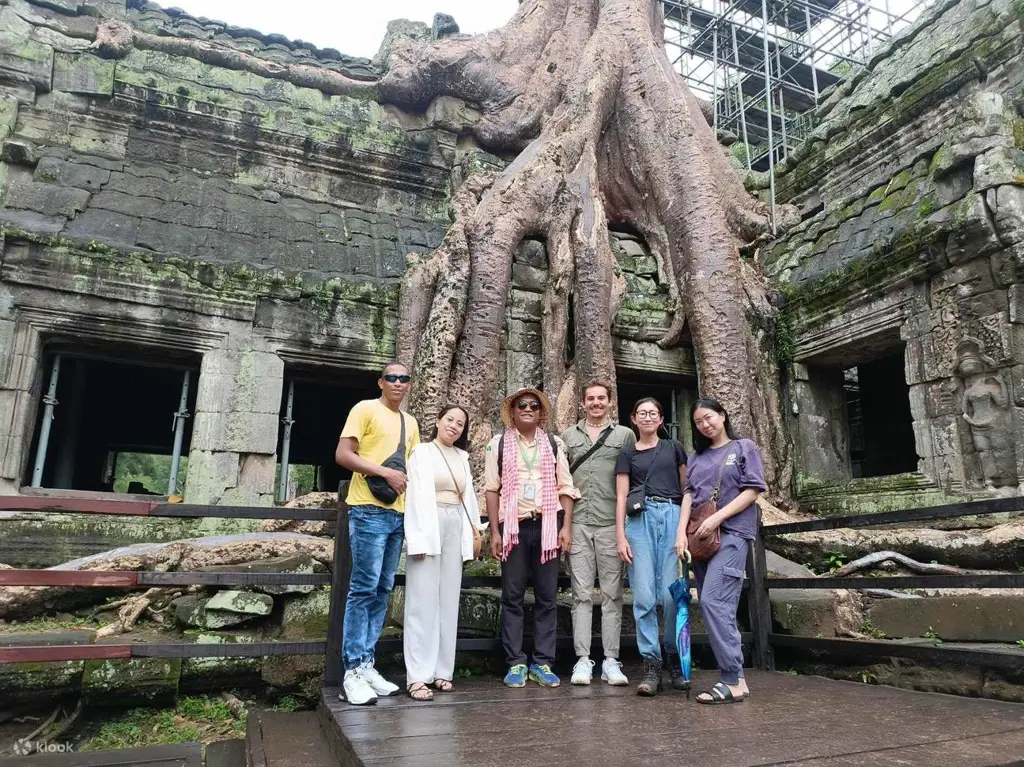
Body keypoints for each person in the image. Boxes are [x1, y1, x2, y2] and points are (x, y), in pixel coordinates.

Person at [334, 362, 420, 706]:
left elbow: (410, 468)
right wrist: (385, 472)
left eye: (405, 378)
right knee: (363, 588)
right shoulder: (365, 409)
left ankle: (368, 664)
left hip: (397, 513)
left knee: (383, 588)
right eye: (392, 378)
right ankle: (352, 670)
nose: (398, 383)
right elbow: (343, 455)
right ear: (381, 382)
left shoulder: (409, 422)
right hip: (368, 509)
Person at [484, 387, 578, 688]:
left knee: (547, 597)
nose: (527, 409)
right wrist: (495, 531)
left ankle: (543, 662)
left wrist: (566, 528)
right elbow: (491, 489)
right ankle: (514, 662)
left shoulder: (553, 444)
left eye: (534, 406)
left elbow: (565, 486)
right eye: (521, 405)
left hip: (548, 525)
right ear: (512, 412)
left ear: (541, 413)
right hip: (514, 528)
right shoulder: (498, 444)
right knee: (512, 596)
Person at [675, 396, 766, 705]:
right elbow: (688, 495)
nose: (705, 424)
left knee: (714, 601)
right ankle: (735, 678)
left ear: (723, 415)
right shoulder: (697, 456)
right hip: (699, 540)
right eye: (698, 421)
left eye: (709, 417)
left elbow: (752, 491)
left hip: (731, 534)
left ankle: (733, 678)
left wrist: (716, 518)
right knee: (716, 605)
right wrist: (680, 534)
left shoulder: (743, 448)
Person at [403, 404, 483, 701]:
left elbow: (469, 499)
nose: (454, 426)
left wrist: (474, 531)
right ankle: (417, 676)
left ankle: (441, 671)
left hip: (455, 522)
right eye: (449, 419)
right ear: (437, 422)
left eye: (460, 423)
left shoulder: (462, 457)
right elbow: (414, 497)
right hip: (429, 520)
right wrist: (419, 539)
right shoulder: (422, 453)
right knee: (422, 601)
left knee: (449, 599)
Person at [562, 380, 635, 686]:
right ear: (583, 403)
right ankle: (582, 660)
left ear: (609, 402)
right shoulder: (568, 436)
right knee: (580, 595)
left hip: (610, 524)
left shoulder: (624, 436)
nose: (596, 403)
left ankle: (610, 660)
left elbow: (634, 477)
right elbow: (561, 480)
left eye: (601, 398)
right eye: (590, 398)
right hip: (578, 522)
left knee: (612, 594)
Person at [615, 397, 688, 697]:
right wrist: (620, 536)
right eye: (641, 413)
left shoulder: (674, 448)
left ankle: (673, 656)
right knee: (644, 595)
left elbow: (688, 492)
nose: (647, 417)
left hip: (671, 517)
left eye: (653, 413)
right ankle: (651, 663)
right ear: (633, 419)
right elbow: (621, 496)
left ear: (660, 420)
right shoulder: (627, 453)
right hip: (639, 521)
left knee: (672, 594)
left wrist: (682, 530)